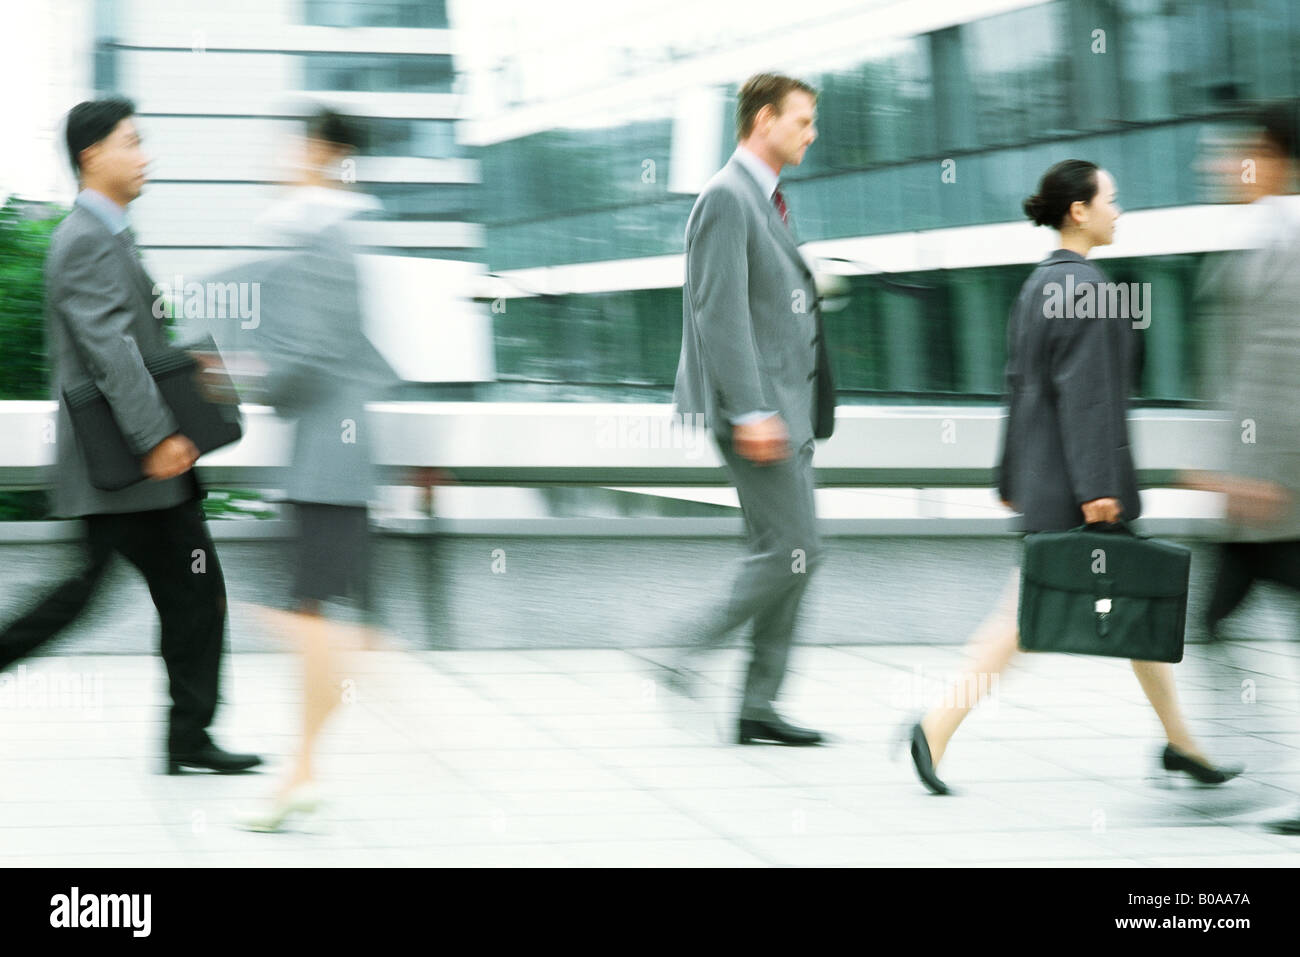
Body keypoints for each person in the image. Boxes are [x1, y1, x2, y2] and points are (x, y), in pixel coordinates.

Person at [904, 159, 1240, 794]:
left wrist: (1009, 476)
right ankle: (935, 726)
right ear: (1079, 211)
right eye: (1111, 199)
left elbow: (1020, 390)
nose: (1119, 210)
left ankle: (1181, 743)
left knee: (1128, 606)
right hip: (1082, 493)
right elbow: (1086, 399)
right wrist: (1098, 490)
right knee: (1023, 624)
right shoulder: (1087, 288)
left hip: (1049, 482)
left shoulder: (1038, 285)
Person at [0, 97, 260, 775]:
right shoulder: (85, 238)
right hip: (129, 464)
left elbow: (128, 342)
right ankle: (189, 737)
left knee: (159, 592)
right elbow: (109, 349)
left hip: (130, 465)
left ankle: (189, 737)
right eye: (132, 143)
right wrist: (156, 437)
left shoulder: (107, 235)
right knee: (156, 592)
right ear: (92, 155)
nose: (145, 157)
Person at [231, 109, 400, 831]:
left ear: (324, 153)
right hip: (331, 456)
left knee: (316, 623)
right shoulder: (327, 233)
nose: (280, 153)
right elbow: (361, 350)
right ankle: (300, 770)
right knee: (317, 618)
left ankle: (305, 769)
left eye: (293, 142)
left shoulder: (323, 238)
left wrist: (235, 378)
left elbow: (314, 354)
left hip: (328, 460)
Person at [663, 73, 835, 746]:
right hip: (756, 411)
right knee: (796, 547)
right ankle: (680, 650)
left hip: (785, 407)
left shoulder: (761, 199)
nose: (811, 133)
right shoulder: (727, 197)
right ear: (763, 121)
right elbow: (719, 312)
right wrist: (752, 409)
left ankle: (758, 704)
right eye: (802, 121)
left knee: (790, 551)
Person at [1188, 102, 1300, 833]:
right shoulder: (1265, 233)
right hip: (1259, 491)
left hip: (1277, 492)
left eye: (1231, 153)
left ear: (1268, 153)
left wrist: (1259, 471)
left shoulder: (1287, 238)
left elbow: (1283, 364)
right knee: (1215, 619)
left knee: (1220, 620)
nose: (1218, 167)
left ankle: (1213, 754)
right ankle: (1207, 753)